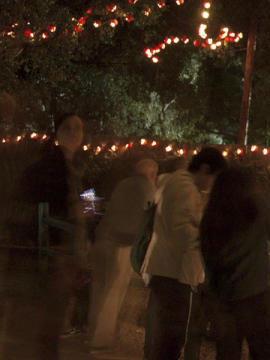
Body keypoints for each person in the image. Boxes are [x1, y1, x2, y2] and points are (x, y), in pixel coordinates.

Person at [3, 113, 88, 359]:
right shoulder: (46, 167)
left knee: (51, 326)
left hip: (65, 256)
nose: (74, 133)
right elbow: (31, 207)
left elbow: (90, 204)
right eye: (68, 128)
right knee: (38, 326)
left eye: (78, 128)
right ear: (58, 133)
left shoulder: (79, 167)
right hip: (48, 257)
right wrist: (67, 213)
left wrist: (88, 215)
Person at [141, 147, 226, 360]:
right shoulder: (183, 187)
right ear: (205, 169)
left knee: (166, 337)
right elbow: (180, 228)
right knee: (170, 339)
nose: (212, 185)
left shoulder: (182, 185)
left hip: (170, 271)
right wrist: (207, 236)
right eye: (213, 178)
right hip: (173, 273)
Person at [200, 167, 270, 360]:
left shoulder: (212, 213)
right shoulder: (256, 205)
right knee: (263, 352)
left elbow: (206, 256)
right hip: (257, 295)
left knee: (227, 353)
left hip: (223, 296)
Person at [88, 157, 158, 352]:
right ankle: (102, 339)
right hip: (123, 246)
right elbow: (149, 221)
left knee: (99, 291)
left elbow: (102, 208)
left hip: (103, 240)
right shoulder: (148, 189)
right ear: (152, 174)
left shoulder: (122, 184)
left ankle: (92, 333)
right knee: (114, 294)